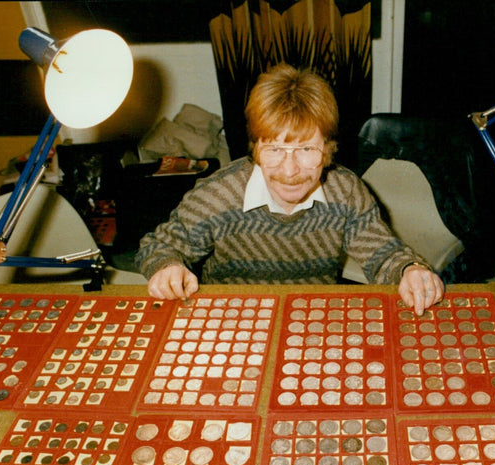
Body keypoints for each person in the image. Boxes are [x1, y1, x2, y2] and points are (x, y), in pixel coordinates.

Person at [136, 63, 444, 315]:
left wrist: (410, 269)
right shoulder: (217, 194)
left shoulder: (345, 191)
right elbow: (158, 246)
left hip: (313, 317)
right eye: (274, 150)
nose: (289, 171)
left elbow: (383, 253)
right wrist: (168, 267)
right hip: (232, 318)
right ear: (255, 149)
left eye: (306, 150)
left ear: (328, 150)